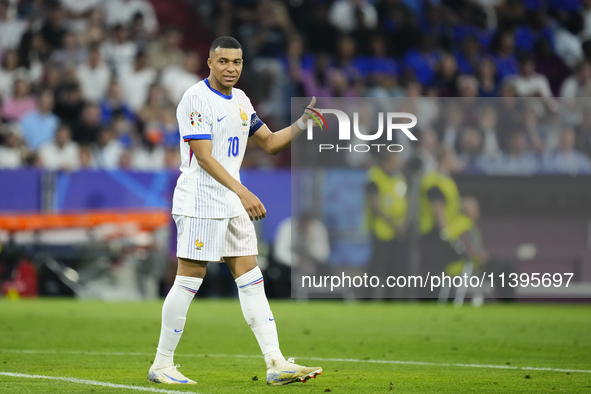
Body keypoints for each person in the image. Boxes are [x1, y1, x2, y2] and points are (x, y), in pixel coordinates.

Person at [147, 36, 322, 386]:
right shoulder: (196, 98)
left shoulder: (241, 100)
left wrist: (303, 123)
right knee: (188, 279)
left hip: (229, 201)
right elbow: (204, 155)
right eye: (224, 61)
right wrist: (242, 190)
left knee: (252, 279)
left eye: (237, 62)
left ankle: (275, 362)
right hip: (201, 200)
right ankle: (162, 364)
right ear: (209, 62)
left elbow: (270, 142)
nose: (231, 68)